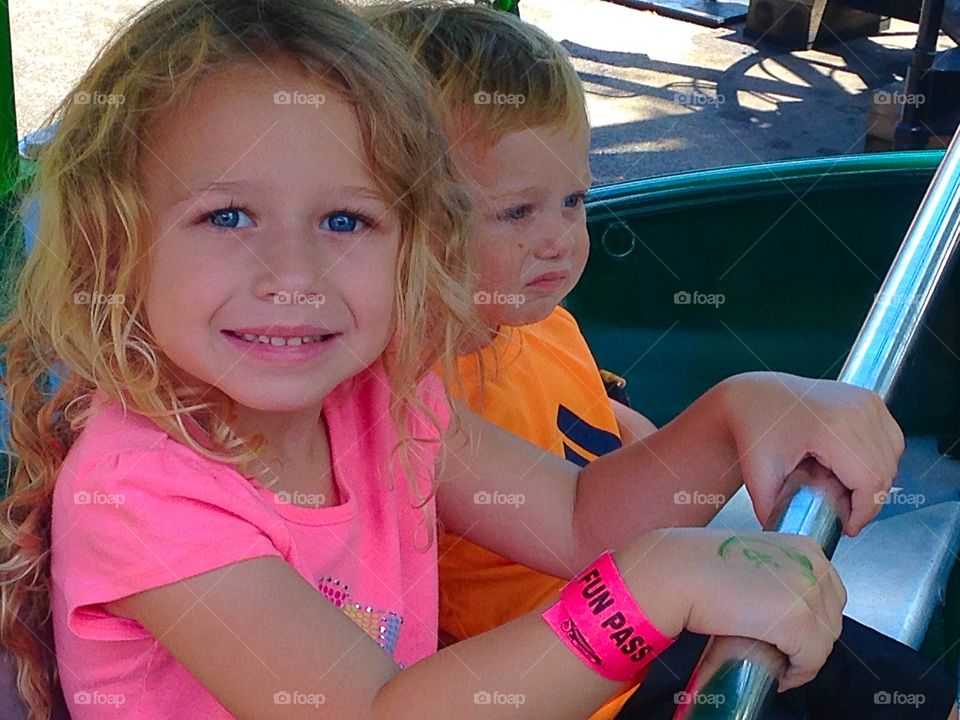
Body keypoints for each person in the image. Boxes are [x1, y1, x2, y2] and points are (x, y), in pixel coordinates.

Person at [0, 1, 908, 718]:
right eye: (226, 216)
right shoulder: (145, 491)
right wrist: (655, 585)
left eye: (345, 220)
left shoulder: (377, 397)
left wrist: (741, 410)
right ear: (117, 248)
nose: (293, 275)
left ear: (417, 246)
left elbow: (580, 519)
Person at [367, 3, 959, 719]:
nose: (560, 239)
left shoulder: (541, 325)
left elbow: (576, 453)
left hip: (666, 610)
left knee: (889, 678)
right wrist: (726, 420)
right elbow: (578, 526)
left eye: (575, 199)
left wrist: (682, 425)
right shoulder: (404, 392)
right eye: (517, 213)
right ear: (401, 216)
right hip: (584, 680)